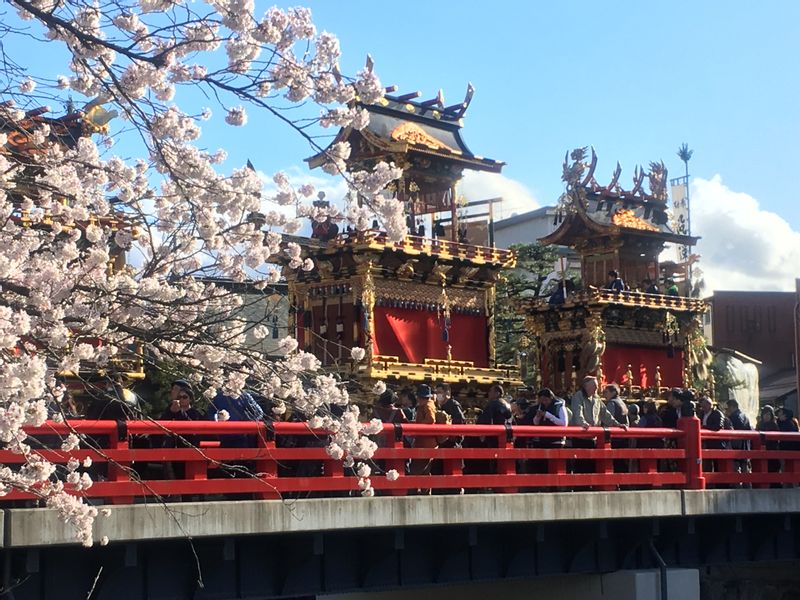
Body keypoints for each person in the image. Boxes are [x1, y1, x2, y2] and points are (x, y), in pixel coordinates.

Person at [410, 384, 437, 477]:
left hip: (425, 443)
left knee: (416, 469)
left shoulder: (427, 406)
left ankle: (414, 490)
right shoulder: (428, 404)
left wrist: (418, 425)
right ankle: (425, 490)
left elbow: (431, 419)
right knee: (425, 471)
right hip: (427, 442)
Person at [724, 399, 753, 478]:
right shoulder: (745, 417)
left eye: (728, 408)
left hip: (735, 446)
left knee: (736, 470)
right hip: (745, 446)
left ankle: (737, 487)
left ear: (732, 407)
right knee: (745, 470)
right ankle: (748, 487)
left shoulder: (732, 418)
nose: (727, 410)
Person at [757, 405, 780, 477]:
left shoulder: (774, 425)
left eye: (768, 414)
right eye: (765, 414)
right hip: (760, 449)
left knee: (773, 469)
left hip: (772, 449)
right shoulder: (759, 424)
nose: (766, 416)